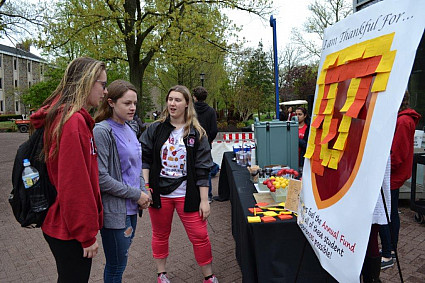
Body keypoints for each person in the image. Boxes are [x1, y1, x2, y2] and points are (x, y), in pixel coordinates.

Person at [30, 57, 105, 282]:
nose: (105, 91)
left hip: (63, 223)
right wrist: (86, 234)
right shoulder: (73, 123)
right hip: (69, 228)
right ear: (86, 82)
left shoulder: (65, 117)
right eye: (102, 84)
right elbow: (75, 184)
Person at [140, 85, 218, 283]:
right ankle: (161, 274)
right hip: (160, 194)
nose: (172, 103)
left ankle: (208, 276)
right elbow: (145, 157)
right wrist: (146, 187)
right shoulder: (156, 129)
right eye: (170, 99)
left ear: (187, 104)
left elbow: (202, 168)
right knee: (160, 234)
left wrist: (204, 200)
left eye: (177, 100)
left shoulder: (197, 132)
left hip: (187, 194)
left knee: (200, 235)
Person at [93, 80, 151, 282]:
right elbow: (101, 178)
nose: (133, 108)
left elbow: (136, 165)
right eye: (127, 103)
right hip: (115, 212)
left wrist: (144, 190)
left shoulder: (130, 127)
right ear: (110, 102)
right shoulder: (102, 131)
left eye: (134, 103)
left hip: (133, 209)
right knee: (116, 265)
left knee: (121, 260)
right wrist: (137, 194)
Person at [379, 90, 421, 269]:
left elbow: (397, 154)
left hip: (392, 175)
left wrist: (383, 169)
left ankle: (387, 254)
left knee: (384, 213)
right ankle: (391, 249)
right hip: (392, 174)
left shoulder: (403, 121)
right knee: (391, 212)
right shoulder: (402, 119)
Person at [361, 157, 391, 283]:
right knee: (362, 241)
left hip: (372, 196)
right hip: (358, 194)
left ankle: (372, 278)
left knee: (371, 238)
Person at [192, 86, 218, 203]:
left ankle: (193, 194)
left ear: (194, 97)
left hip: (191, 142)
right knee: (205, 168)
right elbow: (214, 129)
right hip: (206, 143)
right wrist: (208, 140)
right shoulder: (211, 111)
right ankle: (208, 195)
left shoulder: (190, 110)